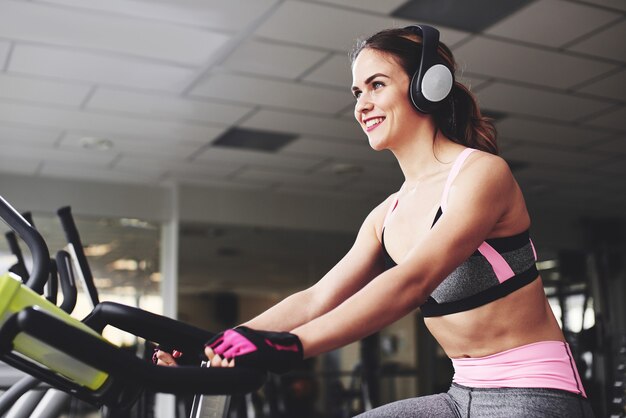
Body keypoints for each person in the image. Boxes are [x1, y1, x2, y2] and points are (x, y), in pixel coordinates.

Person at [155, 25, 594, 417]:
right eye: (356, 93)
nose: (362, 105)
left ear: (427, 88)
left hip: (536, 393)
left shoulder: (480, 174)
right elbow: (314, 299)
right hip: (462, 394)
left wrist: (294, 346)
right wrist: (216, 344)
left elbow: (413, 282)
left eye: (376, 85)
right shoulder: (387, 215)